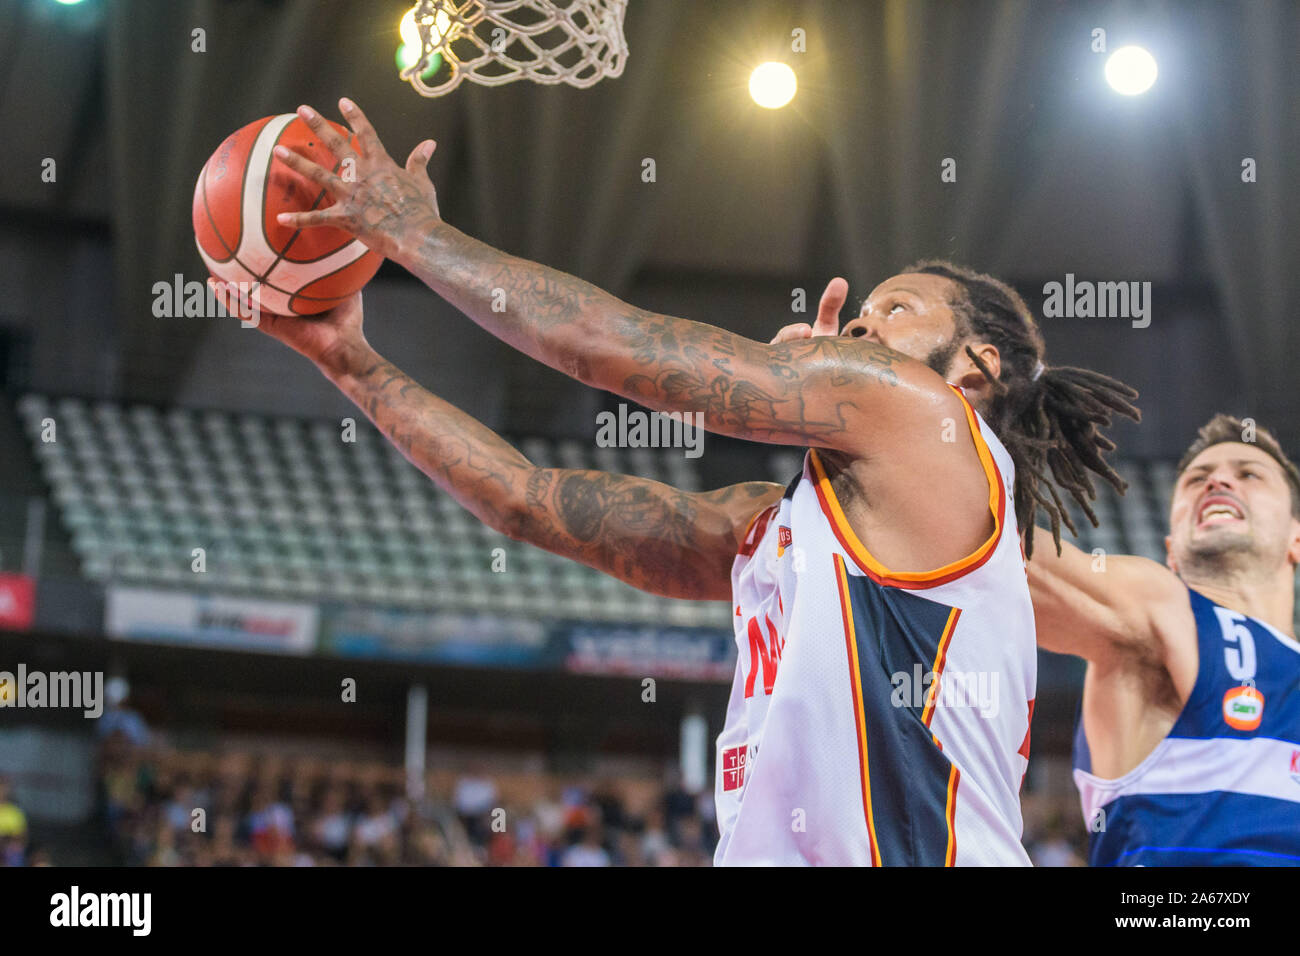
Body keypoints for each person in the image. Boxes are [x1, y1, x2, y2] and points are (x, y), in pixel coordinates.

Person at [237, 98, 1137, 865]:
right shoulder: (776, 528)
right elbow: (523, 498)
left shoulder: (928, 409)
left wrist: (411, 231)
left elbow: (604, 345)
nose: (862, 328)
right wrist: (349, 362)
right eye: (859, 314)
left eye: (895, 310)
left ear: (974, 365)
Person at [1028, 415, 1300, 865]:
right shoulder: (1163, 607)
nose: (1218, 481)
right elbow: (994, 552)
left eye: (1248, 473)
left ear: (1296, 537)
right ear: (1172, 548)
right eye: (1197, 479)